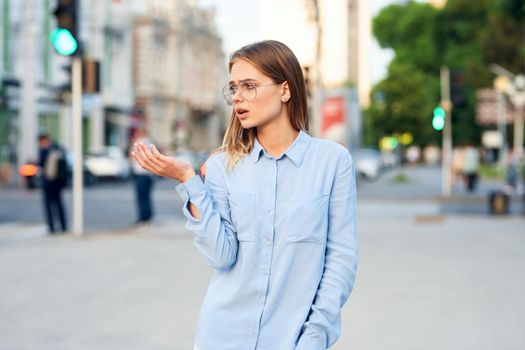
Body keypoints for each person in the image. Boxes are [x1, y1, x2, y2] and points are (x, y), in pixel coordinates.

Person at [132, 40, 358, 349]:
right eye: (233, 88)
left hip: (293, 340)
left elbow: (341, 260)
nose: (237, 97)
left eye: (249, 86)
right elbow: (220, 256)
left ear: (285, 89)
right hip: (222, 337)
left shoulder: (332, 161)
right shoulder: (222, 166)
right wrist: (188, 180)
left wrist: (314, 337)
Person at [37, 133, 68, 234]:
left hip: (48, 182)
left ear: (43, 141)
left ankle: (51, 227)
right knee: (59, 204)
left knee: (48, 205)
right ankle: (63, 225)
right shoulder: (58, 148)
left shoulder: (44, 151)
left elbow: (41, 164)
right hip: (58, 182)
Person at [129, 128, 155, 225]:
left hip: (141, 173)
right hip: (148, 174)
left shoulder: (140, 142)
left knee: (141, 197)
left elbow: (132, 156)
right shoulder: (150, 142)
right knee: (146, 197)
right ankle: (148, 216)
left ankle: (143, 218)